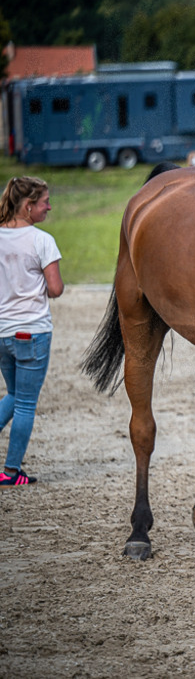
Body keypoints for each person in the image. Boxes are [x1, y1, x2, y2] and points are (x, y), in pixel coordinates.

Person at [0, 176, 62, 487]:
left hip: (2, 333)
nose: (49, 207)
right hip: (32, 332)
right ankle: (11, 472)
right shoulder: (42, 240)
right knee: (25, 403)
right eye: (44, 202)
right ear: (27, 206)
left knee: (14, 395)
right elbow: (56, 288)